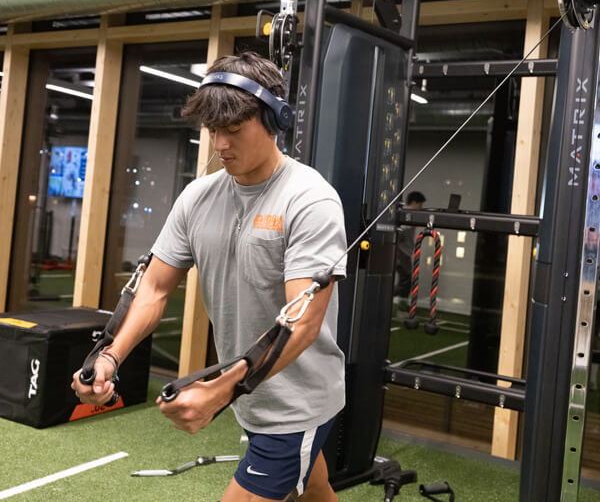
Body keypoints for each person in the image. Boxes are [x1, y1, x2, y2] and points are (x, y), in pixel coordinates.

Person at [71, 51, 347, 502]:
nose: (220, 144)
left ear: (275, 120)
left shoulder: (311, 200)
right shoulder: (198, 196)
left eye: (234, 130)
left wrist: (219, 392)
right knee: (313, 491)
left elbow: (304, 322)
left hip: (296, 401)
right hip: (251, 394)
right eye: (213, 130)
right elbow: (156, 287)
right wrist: (109, 357)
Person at [394, 191, 426, 309]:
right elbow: (398, 236)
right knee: (405, 282)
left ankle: (402, 308)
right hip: (401, 254)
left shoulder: (409, 214)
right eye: (420, 204)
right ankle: (396, 304)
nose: (421, 207)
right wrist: (397, 257)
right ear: (414, 202)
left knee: (406, 282)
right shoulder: (406, 215)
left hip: (404, 253)